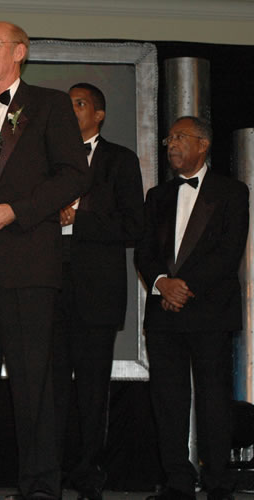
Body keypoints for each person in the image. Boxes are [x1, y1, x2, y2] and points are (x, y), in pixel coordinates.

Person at [0, 21, 92, 500]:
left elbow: (74, 175)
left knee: (35, 386)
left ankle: (41, 488)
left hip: (28, 265)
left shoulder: (48, 105)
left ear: (20, 52)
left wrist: (18, 211)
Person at [136, 116, 248, 500]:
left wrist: (186, 287)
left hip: (210, 311)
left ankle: (218, 482)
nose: (172, 144)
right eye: (169, 139)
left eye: (180, 138)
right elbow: (145, 252)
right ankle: (177, 482)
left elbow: (228, 251)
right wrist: (161, 284)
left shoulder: (233, 192)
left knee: (214, 399)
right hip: (164, 313)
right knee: (168, 402)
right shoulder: (157, 196)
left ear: (203, 144)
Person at [52, 83, 144, 500]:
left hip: (97, 290)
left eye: (80, 104)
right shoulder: (47, 158)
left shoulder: (120, 160)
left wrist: (80, 218)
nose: (72, 111)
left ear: (100, 115)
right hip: (47, 284)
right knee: (45, 386)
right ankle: (45, 476)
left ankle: (89, 473)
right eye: (67, 105)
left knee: (91, 389)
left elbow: (133, 225)